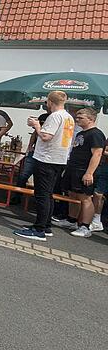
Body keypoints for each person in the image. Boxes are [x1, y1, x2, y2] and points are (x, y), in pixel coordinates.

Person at [14, 91, 75, 241]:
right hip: (59, 159)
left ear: (49, 102)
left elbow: (46, 137)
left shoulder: (54, 116)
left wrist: (36, 126)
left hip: (47, 159)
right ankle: (45, 226)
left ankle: (39, 229)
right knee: (48, 194)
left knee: (42, 194)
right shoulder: (69, 117)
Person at [51, 108, 105, 237]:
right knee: (72, 195)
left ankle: (85, 227)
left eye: (81, 117)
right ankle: (71, 220)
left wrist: (89, 173)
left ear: (91, 119)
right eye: (77, 116)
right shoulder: (82, 133)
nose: (77, 119)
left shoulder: (95, 134)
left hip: (84, 170)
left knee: (85, 198)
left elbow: (97, 154)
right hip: (73, 168)